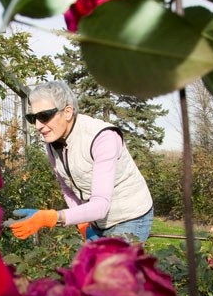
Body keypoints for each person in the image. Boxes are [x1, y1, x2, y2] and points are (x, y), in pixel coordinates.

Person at [9, 81, 154, 242]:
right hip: (97, 221)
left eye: (44, 116)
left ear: (68, 112)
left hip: (130, 217)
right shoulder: (52, 145)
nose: (37, 126)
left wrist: (51, 217)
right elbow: (67, 187)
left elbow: (100, 205)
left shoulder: (102, 138)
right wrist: (83, 223)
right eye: (33, 118)